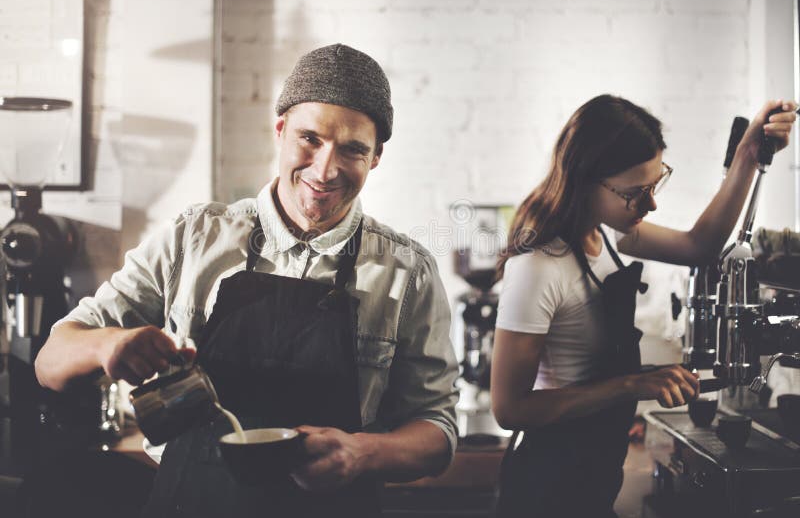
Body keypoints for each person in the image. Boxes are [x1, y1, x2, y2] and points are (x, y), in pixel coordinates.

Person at [35, 43, 459, 517]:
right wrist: (106, 344)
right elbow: (50, 361)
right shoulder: (192, 239)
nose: (325, 169)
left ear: (376, 157)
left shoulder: (407, 271)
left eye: (353, 150)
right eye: (310, 139)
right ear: (280, 130)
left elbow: (437, 431)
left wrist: (364, 453)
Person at [490, 94, 797, 518]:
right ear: (586, 178)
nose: (651, 204)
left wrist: (748, 152)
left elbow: (699, 246)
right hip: (545, 487)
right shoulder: (539, 266)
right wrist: (633, 385)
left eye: (655, 184)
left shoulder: (606, 233)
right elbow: (510, 409)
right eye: (636, 193)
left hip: (594, 479)